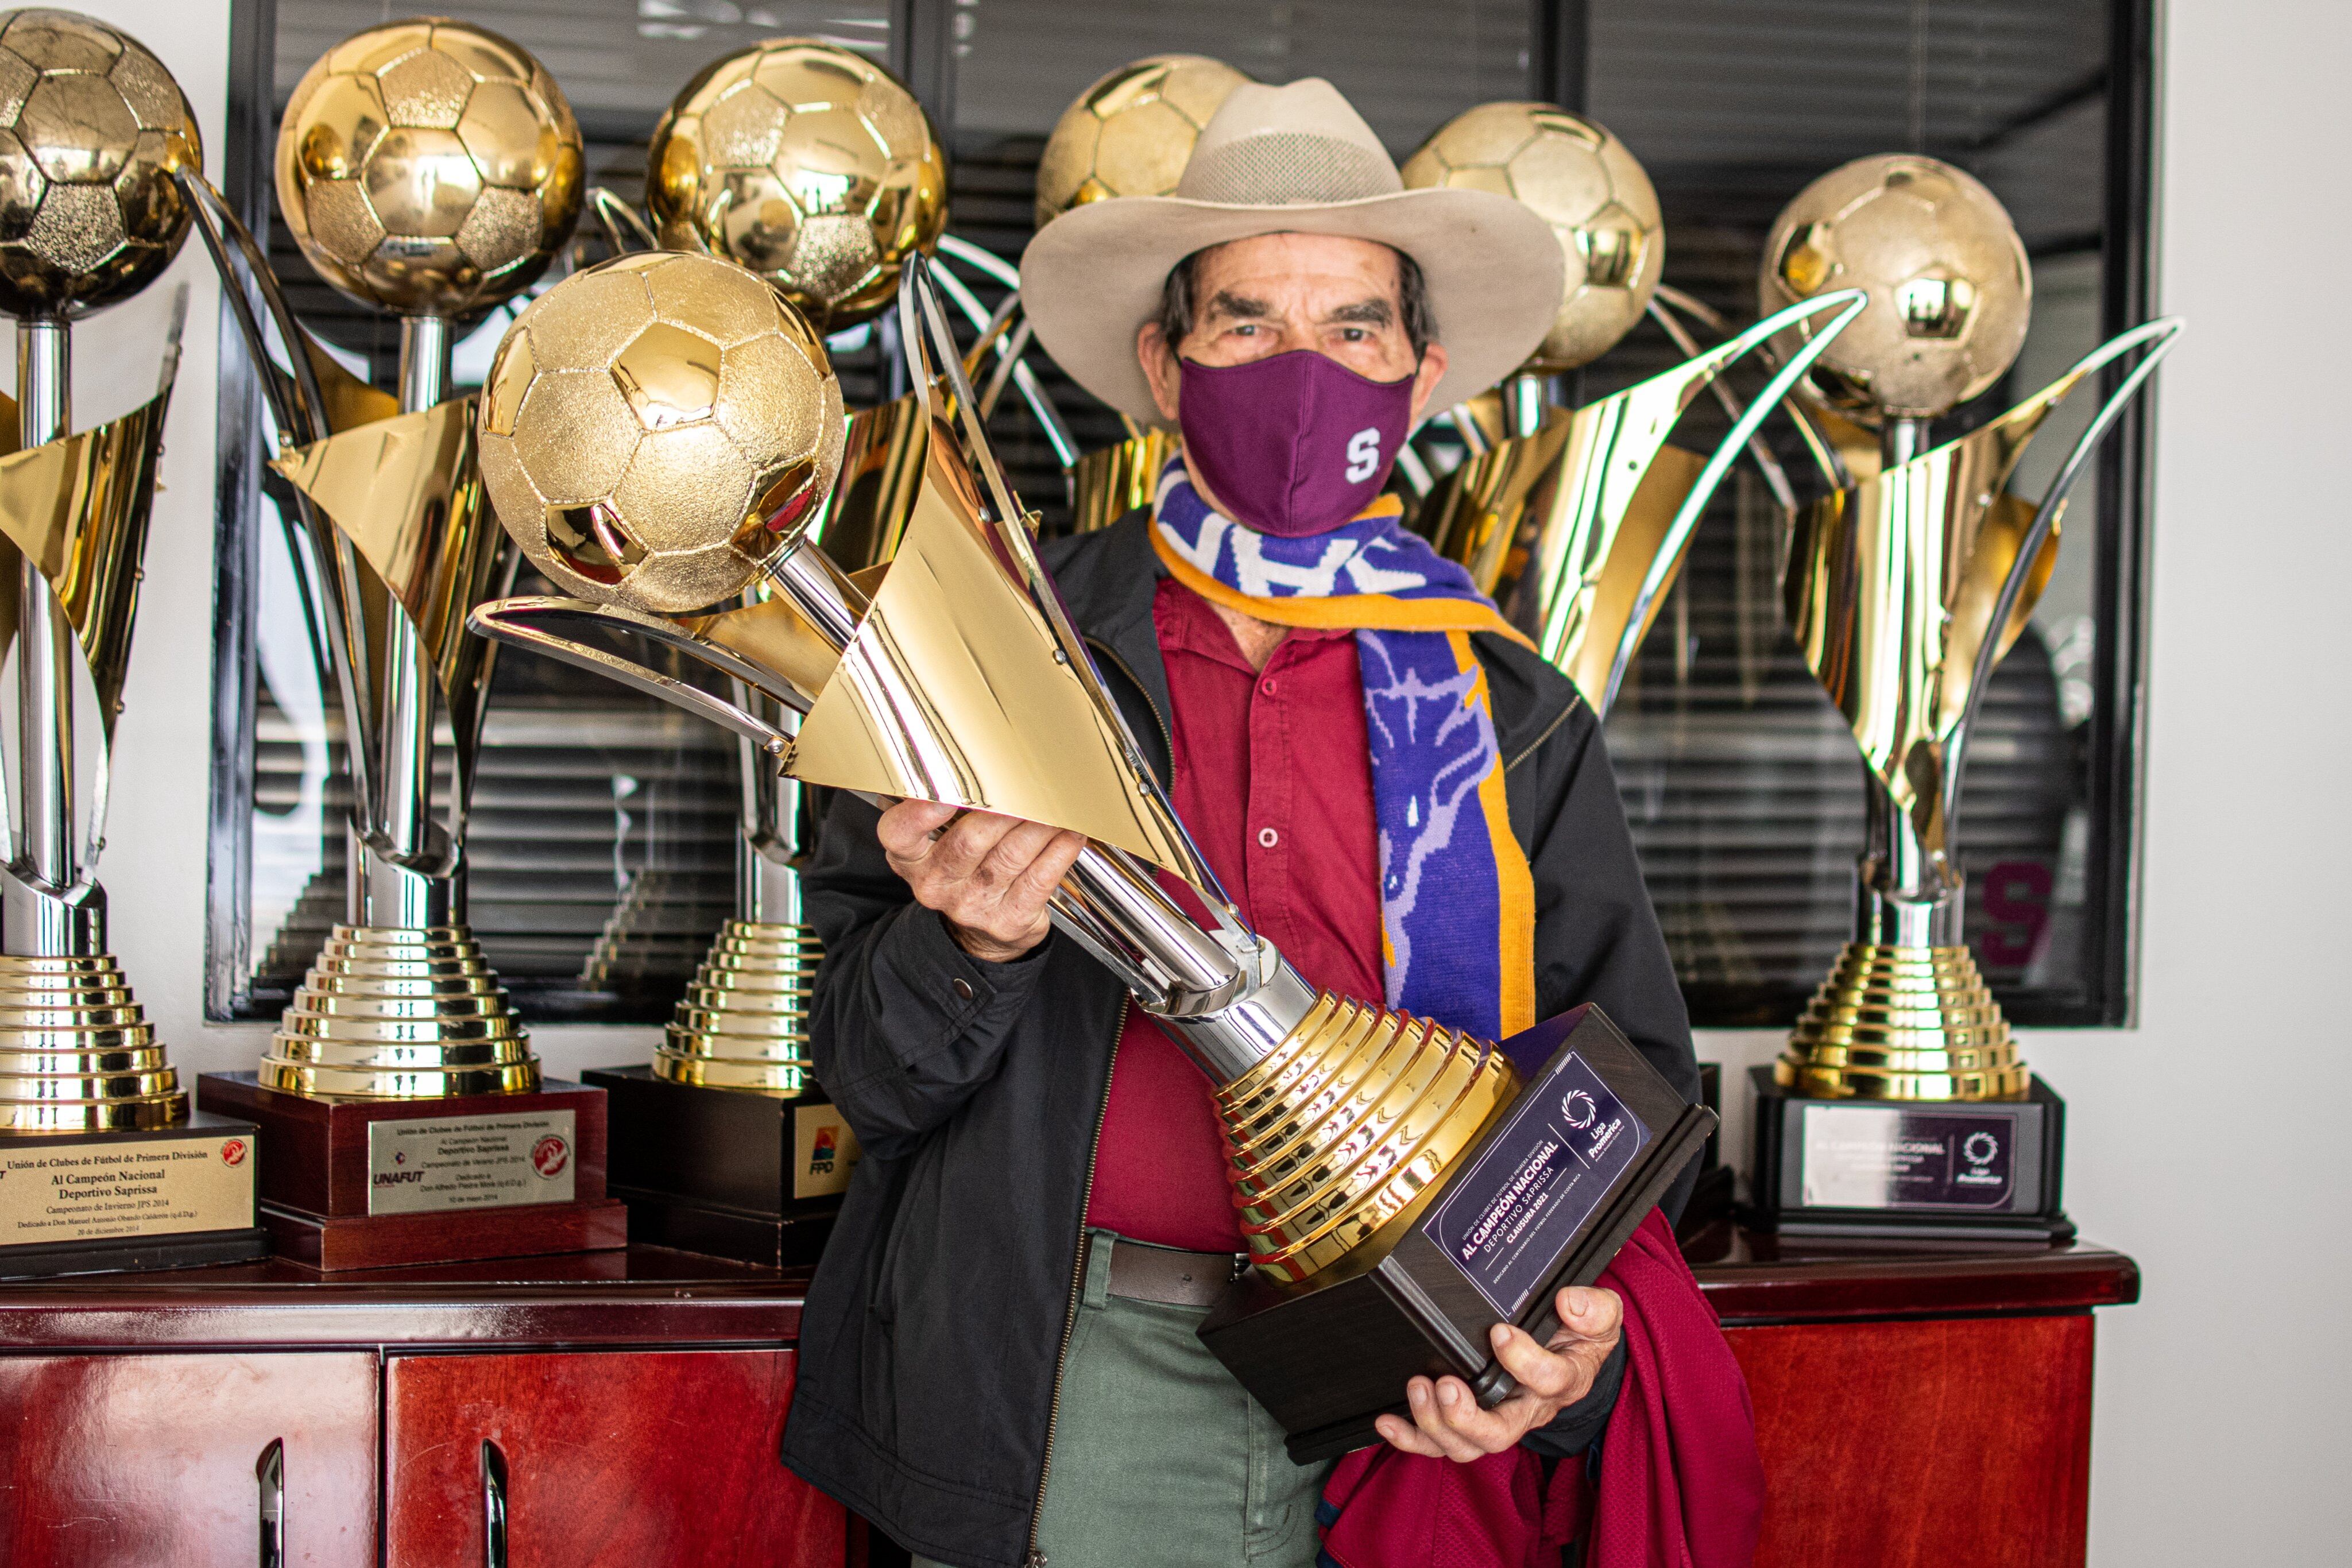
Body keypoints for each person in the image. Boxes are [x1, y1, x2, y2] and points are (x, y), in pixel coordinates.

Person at [780, 79, 1761, 1568]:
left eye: (1352, 328)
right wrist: (968, 940)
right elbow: (863, 1070)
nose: (1302, 371)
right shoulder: (1003, 657)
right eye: (1247, 321)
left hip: (1419, 1396)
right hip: (1070, 1395)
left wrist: (1553, 1369)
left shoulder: (1515, 712)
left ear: (1422, 371)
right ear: (1165, 367)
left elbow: (1626, 1113)